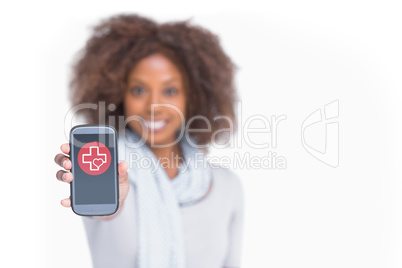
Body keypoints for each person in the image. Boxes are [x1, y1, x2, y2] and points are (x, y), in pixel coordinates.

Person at [54, 13, 244, 268]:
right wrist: (109, 200)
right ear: (119, 95)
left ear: (194, 96)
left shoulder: (226, 186)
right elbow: (104, 213)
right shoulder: (109, 172)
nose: (154, 105)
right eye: (139, 90)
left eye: (170, 90)